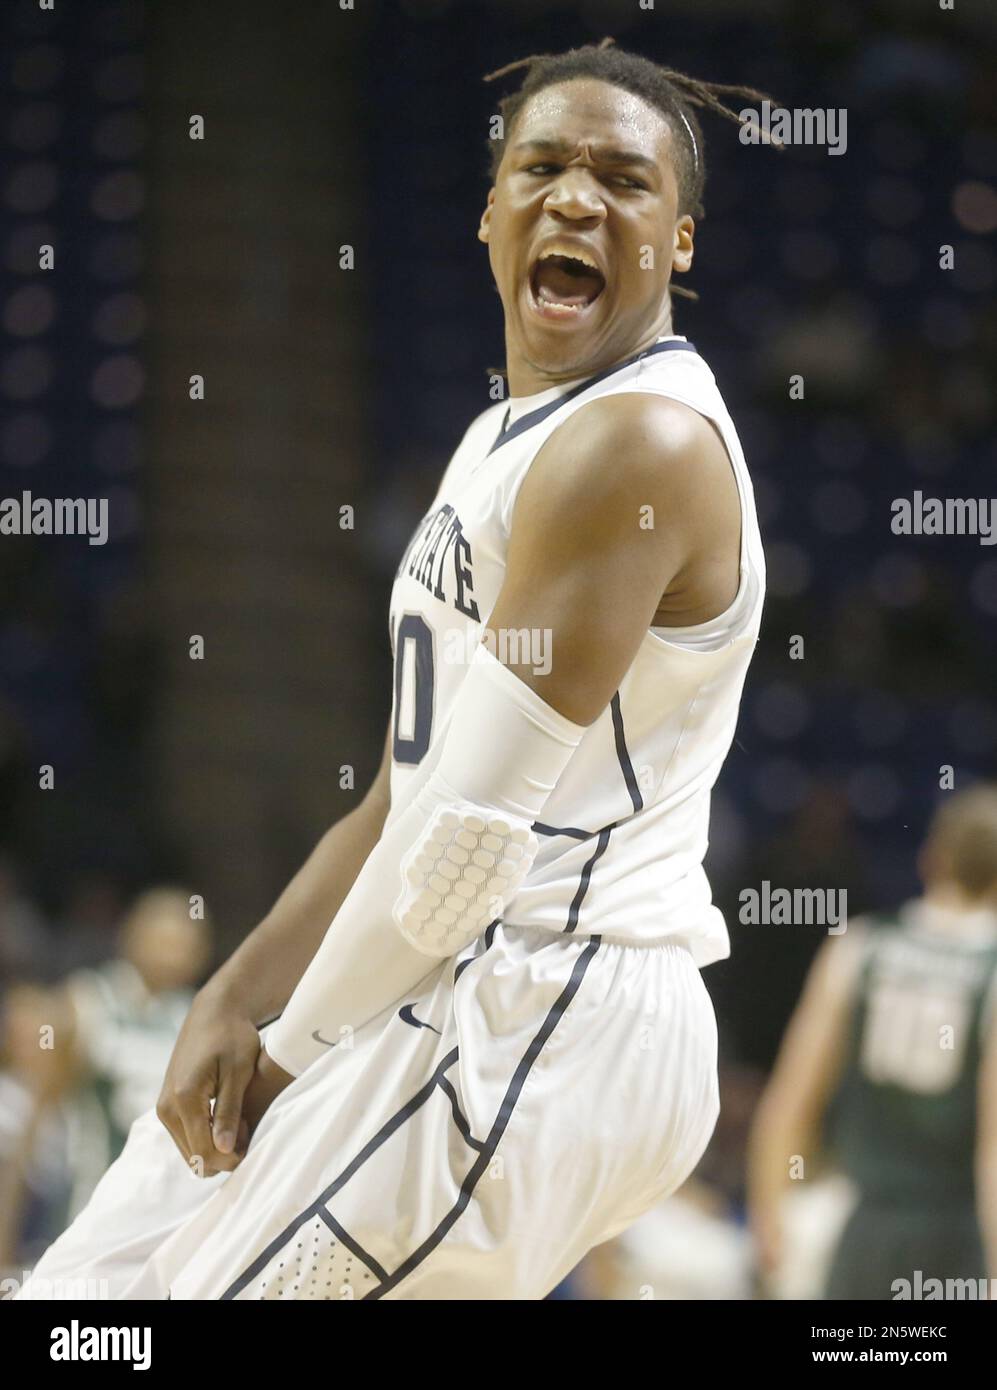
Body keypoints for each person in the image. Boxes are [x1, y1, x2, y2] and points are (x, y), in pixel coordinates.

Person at [19, 38, 769, 1301]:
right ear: (489, 213)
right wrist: (233, 996)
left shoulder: (637, 442)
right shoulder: (495, 440)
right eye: (542, 166)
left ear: (679, 240)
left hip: (551, 998)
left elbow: (462, 837)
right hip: (434, 964)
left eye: (622, 179)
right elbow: (395, 802)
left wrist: (289, 1050)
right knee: (79, 1304)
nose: (576, 198)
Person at [747, 785, 997, 1300]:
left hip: (863, 1229)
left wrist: (767, 1214)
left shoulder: (860, 945)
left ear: (932, 857)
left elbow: (790, 1100)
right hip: (957, 1236)